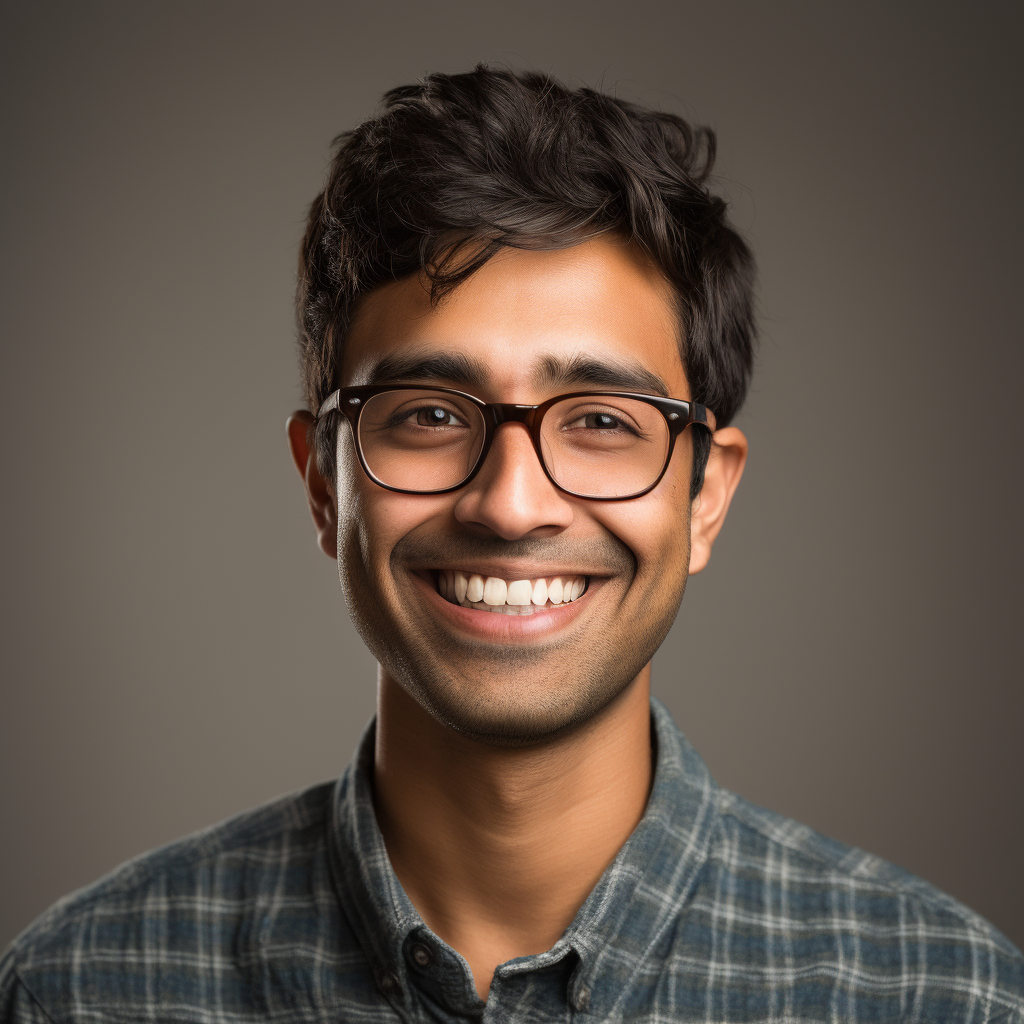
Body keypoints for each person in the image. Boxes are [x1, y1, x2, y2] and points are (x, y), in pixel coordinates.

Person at [1, 64, 1020, 1024]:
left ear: (705, 493)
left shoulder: (942, 994)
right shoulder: (81, 987)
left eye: (603, 421)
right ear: (323, 481)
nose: (511, 503)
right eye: (431, 415)